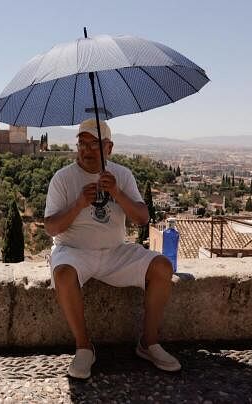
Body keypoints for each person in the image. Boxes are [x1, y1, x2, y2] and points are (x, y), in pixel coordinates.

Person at [44, 118, 180, 379]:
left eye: (93, 145)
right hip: (74, 250)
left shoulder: (122, 175)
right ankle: (84, 348)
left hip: (115, 252)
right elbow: (51, 228)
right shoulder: (62, 179)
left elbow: (142, 218)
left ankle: (148, 343)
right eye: (81, 144)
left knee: (162, 266)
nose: (85, 150)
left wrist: (117, 192)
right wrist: (78, 205)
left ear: (109, 148)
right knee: (62, 274)